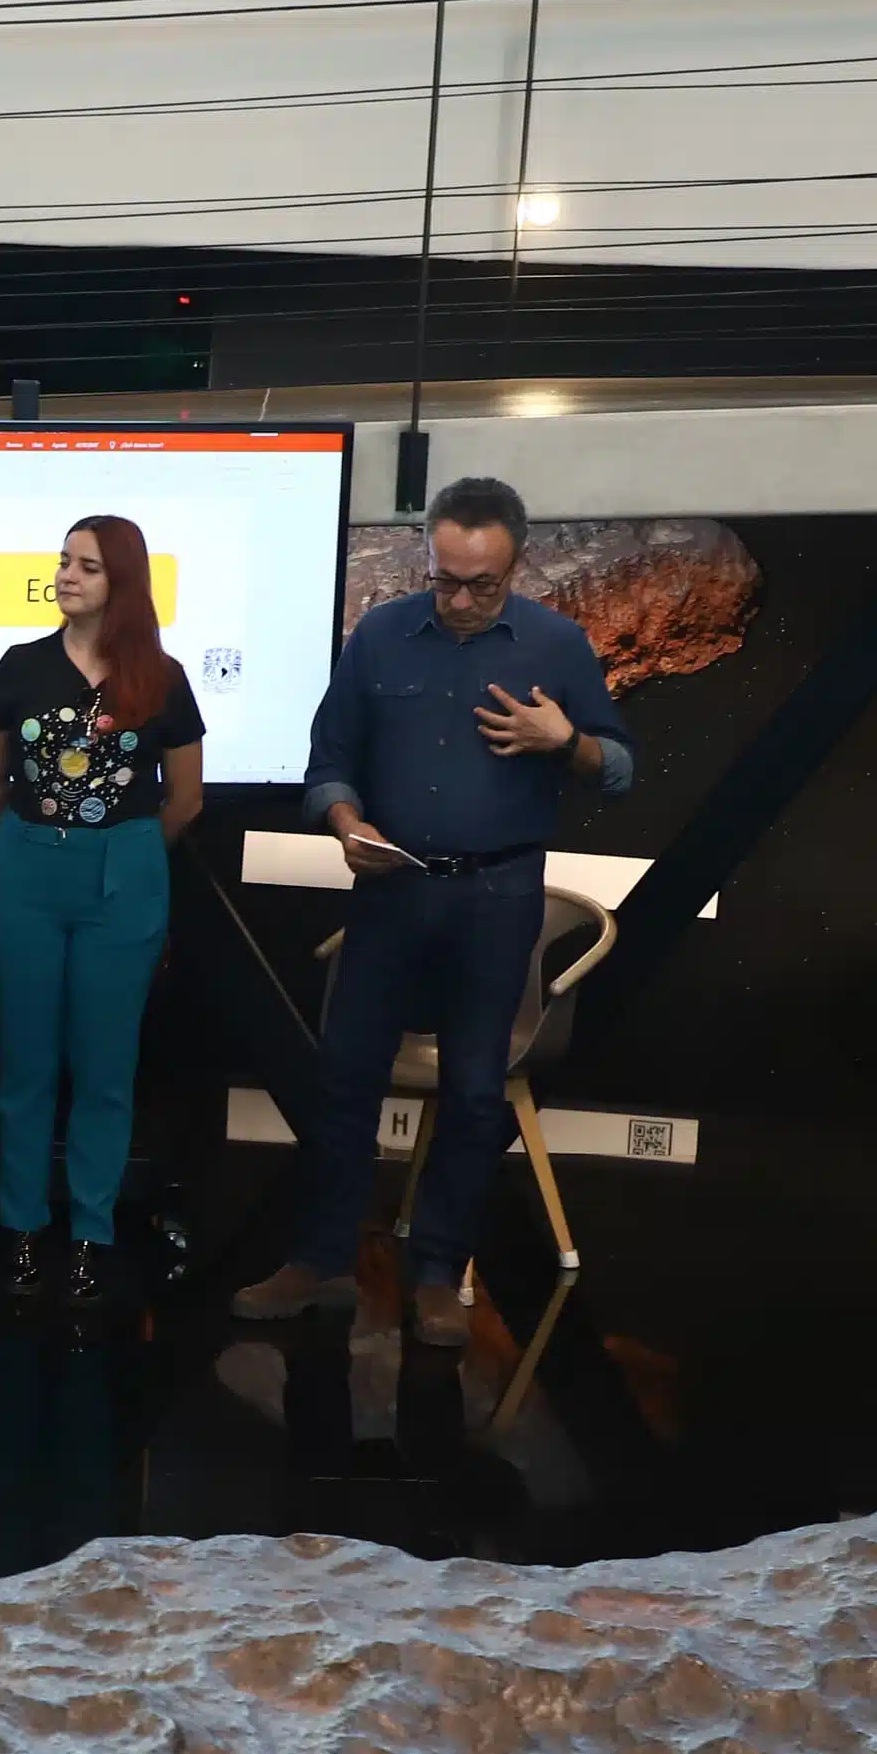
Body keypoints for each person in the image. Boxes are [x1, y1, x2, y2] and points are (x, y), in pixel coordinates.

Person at [234, 476, 633, 1347]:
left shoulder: (558, 646)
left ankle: (439, 1276)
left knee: (476, 1091)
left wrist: (564, 742)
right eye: (442, 579)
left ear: (514, 567)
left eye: (478, 584)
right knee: (342, 1081)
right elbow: (328, 759)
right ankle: (320, 1257)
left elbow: (621, 770)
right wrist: (345, 821)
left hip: (497, 895)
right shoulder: (378, 636)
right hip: (388, 887)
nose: (456, 600)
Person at [0, 514, 204, 1306]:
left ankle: (91, 1234)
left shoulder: (162, 677)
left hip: (126, 874)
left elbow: (186, 800)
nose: (67, 576)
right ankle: (22, 1228)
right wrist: (48, 844)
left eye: (88, 567)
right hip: (28, 870)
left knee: (106, 1068)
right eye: (64, 562)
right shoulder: (21, 665)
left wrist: (122, 852)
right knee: (27, 1064)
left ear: (123, 585)